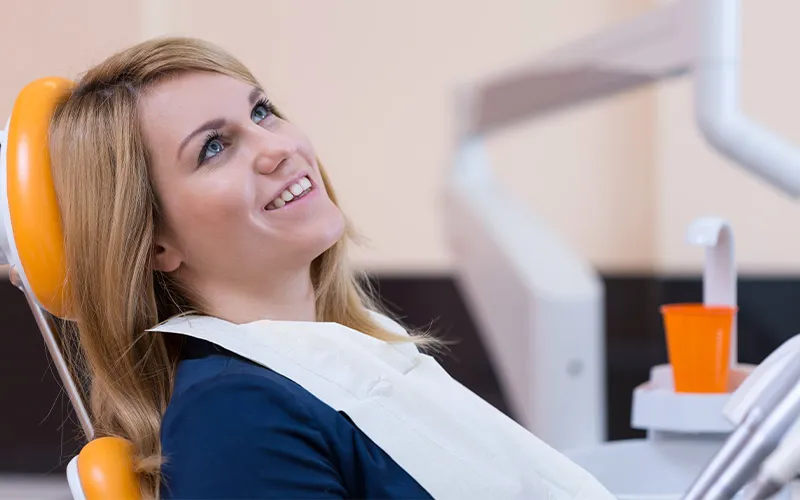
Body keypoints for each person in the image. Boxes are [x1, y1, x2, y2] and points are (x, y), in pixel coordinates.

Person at [49, 37, 615, 499]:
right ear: (154, 245)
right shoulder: (234, 414)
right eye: (215, 147)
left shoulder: (355, 352)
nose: (277, 149)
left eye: (262, 111)